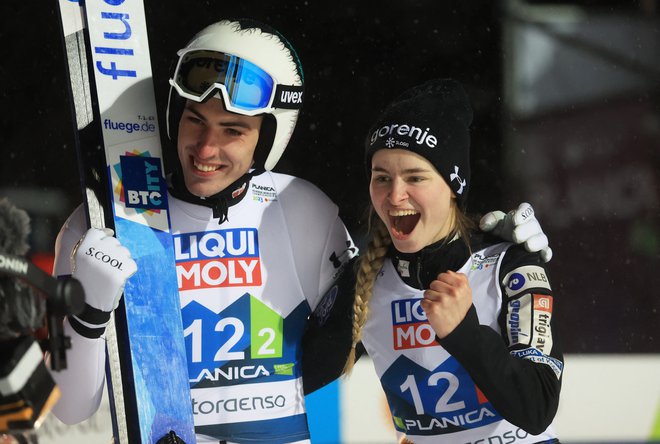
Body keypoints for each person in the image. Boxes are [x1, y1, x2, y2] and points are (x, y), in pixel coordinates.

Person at [47, 20, 554, 443]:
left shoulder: (300, 210)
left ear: (268, 136)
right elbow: (70, 410)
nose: (205, 149)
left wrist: (495, 250)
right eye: (194, 121)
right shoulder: (103, 225)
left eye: (232, 130)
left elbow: (377, 313)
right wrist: (89, 311)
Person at [342, 79, 563, 443]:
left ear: (453, 186)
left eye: (415, 177)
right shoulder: (365, 280)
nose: (395, 195)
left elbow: (536, 409)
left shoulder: (507, 264)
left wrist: (463, 332)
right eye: (382, 177)